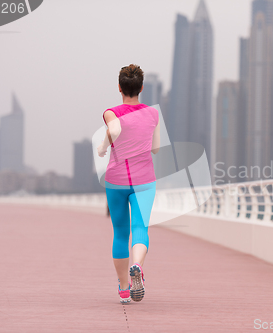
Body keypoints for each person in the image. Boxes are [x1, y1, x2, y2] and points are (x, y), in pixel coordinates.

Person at [97, 64, 160, 303]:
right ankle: (137, 266)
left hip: (116, 181)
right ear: (141, 88)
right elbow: (155, 149)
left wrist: (103, 147)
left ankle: (124, 288)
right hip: (144, 180)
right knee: (140, 228)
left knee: (120, 233)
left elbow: (114, 127)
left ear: (120, 88)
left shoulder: (111, 112)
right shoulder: (153, 114)